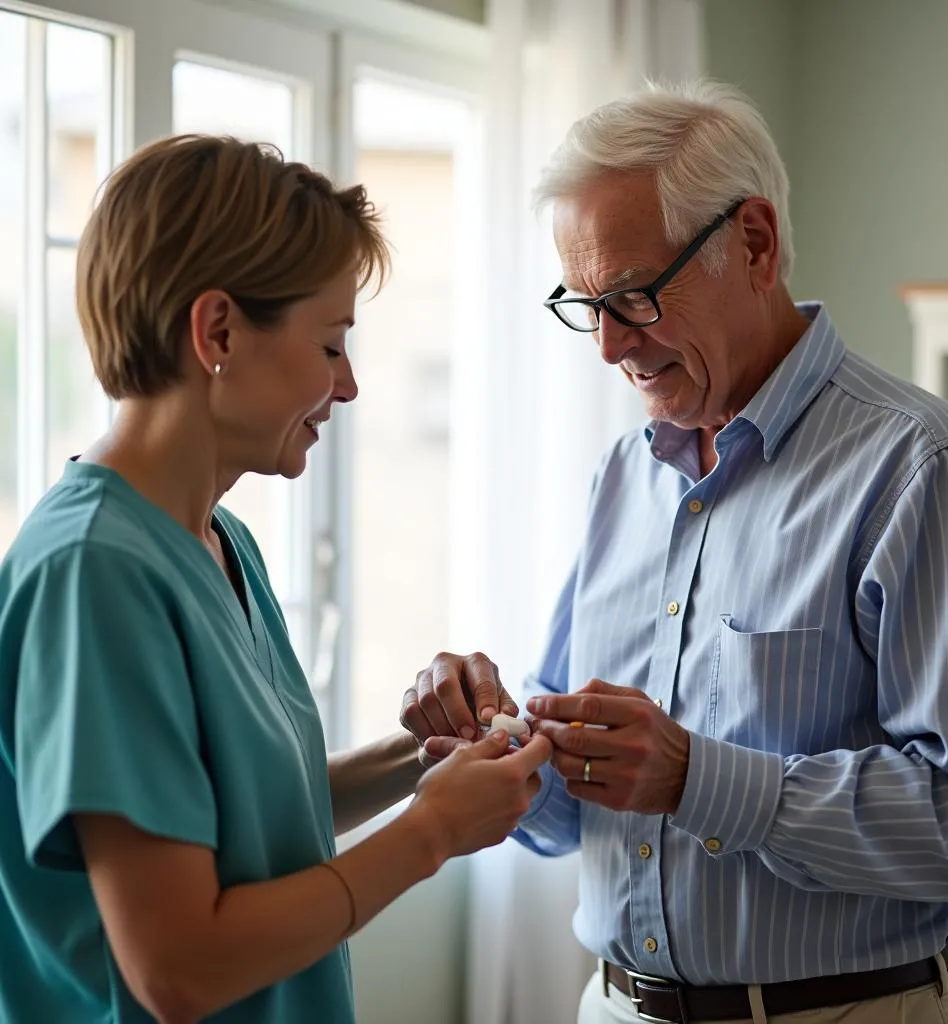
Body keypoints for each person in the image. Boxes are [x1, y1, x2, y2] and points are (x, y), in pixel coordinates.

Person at [401, 80, 948, 1024]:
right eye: (585, 306)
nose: (609, 345)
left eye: (636, 297)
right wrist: (499, 750)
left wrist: (700, 778)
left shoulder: (929, 469)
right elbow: (576, 810)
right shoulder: (622, 474)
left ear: (756, 245)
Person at [0, 134, 552, 1024]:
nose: (352, 385)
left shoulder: (221, 543)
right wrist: (436, 830)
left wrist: (430, 755)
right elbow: (178, 967)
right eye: (331, 344)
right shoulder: (93, 573)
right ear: (217, 331)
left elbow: (247, 828)